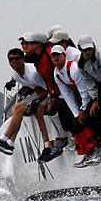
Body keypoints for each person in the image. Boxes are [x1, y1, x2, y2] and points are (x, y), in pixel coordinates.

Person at [0, 49, 51, 159]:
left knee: (18, 108)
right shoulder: (16, 73)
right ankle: (10, 143)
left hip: (47, 93)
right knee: (17, 110)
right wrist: (12, 82)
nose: (14, 61)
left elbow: (47, 88)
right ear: (9, 62)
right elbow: (15, 76)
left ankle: (3, 138)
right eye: (11, 59)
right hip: (37, 91)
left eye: (17, 58)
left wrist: (37, 101)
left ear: (23, 60)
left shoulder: (33, 74)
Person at [21, 31, 69, 160]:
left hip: (65, 90)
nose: (24, 46)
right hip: (54, 91)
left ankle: (62, 139)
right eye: (23, 44)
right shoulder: (36, 59)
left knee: (50, 111)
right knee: (45, 111)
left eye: (28, 43)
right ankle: (54, 141)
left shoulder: (49, 56)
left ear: (38, 45)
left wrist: (54, 95)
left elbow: (57, 76)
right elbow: (47, 80)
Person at [51, 45, 97, 167]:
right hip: (80, 96)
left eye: (58, 55)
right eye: (53, 55)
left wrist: (82, 109)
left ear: (64, 56)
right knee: (76, 123)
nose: (56, 58)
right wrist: (77, 114)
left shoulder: (73, 69)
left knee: (87, 118)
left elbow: (84, 90)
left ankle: (95, 150)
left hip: (92, 92)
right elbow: (67, 94)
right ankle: (86, 153)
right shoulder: (57, 74)